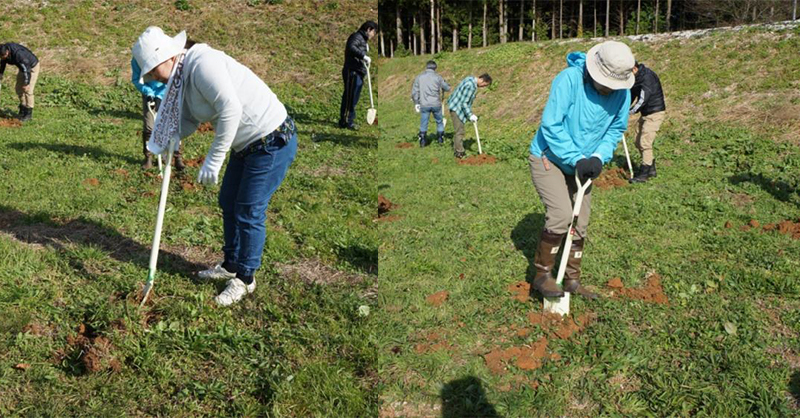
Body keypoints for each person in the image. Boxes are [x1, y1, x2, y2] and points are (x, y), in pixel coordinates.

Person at [132, 26, 297, 306]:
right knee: (228, 201)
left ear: (164, 59)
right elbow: (191, 119)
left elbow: (230, 108)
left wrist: (214, 158)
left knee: (248, 209)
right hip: (244, 144)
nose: (149, 77)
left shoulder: (202, 63)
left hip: (271, 139)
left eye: (149, 70)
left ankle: (245, 278)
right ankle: (231, 264)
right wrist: (171, 136)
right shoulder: (180, 79)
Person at [527, 41, 634, 300]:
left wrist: (598, 156)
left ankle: (572, 280)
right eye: (606, 83)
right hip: (549, 157)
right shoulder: (568, 80)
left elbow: (615, 129)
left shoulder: (622, 92)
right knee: (562, 215)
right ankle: (542, 276)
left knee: (581, 222)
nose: (610, 89)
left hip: (584, 165)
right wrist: (576, 157)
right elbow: (551, 125)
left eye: (613, 86)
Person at [131, 58, 185, 170]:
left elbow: (174, 75)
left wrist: (165, 92)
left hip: (168, 93)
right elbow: (136, 79)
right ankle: (148, 158)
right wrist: (149, 93)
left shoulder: (166, 56)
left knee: (173, 125)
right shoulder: (137, 60)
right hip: (149, 94)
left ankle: (177, 157)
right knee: (149, 127)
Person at [628, 61, 666, 183]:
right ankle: (651, 168)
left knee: (645, 143)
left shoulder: (647, 78)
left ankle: (644, 174)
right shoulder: (636, 78)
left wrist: (630, 111)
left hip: (655, 113)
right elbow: (632, 94)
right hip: (646, 113)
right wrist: (624, 106)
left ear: (634, 69)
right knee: (637, 141)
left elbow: (643, 99)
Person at [338, 21, 377, 130]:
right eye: (374, 32)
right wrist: (363, 56)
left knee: (354, 97)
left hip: (358, 71)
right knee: (349, 96)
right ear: (369, 29)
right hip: (352, 71)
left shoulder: (363, 40)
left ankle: (349, 120)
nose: (373, 35)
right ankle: (345, 121)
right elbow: (351, 47)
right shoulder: (356, 36)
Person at [446, 73, 492, 158]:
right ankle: (459, 152)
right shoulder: (471, 86)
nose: (483, 87)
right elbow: (464, 103)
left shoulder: (470, 78)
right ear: (482, 80)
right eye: (484, 85)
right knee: (459, 131)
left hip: (454, 104)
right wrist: (470, 115)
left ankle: (459, 150)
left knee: (459, 130)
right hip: (457, 108)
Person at [411, 60, 450, 147]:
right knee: (439, 121)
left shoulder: (419, 77)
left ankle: (423, 140)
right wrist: (446, 84)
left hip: (424, 104)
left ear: (426, 67)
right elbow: (447, 88)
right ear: (435, 68)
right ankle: (440, 139)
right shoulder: (438, 77)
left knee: (424, 122)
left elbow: (415, 91)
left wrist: (416, 102)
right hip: (436, 104)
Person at [0, 43, 40, 122]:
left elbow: (27, 69)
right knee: (18, 89)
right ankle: (23, 109)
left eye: (3, 56)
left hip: (31, 68)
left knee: (28, 90)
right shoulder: (3, 51)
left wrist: (26, 83)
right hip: (22, 68)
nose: (2, 58)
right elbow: (3, 63)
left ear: (7, 52)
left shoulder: (19, 55)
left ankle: (28, 113)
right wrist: (0, 74)